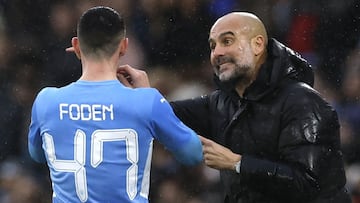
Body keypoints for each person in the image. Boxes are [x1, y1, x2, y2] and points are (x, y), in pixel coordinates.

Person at [118, 12, 352, 203]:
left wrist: (236, 163)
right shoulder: (222, 103)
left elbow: (309, 184)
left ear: (258, 44)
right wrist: (144, 96)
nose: (217, 52)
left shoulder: (303, 103)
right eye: (212, 45)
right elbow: (164, 115)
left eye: (227, 41)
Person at [28, 6, 203, 203]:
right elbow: (193, 154)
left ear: (76, 46)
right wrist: (147, 98)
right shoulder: (147, 101)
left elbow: (37, 155)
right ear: (124, 47)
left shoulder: (45, 100)